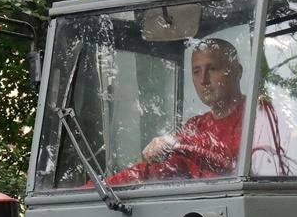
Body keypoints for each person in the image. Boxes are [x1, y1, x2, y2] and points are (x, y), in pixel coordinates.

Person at [107, 38, 250, 184]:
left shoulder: (255, 114)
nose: (203, 80)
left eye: (212, 69)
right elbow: (157, 168)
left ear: (237, 72)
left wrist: (176, 142)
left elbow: (232, 163)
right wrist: (95, 190)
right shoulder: (196, 125)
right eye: (196, 71)